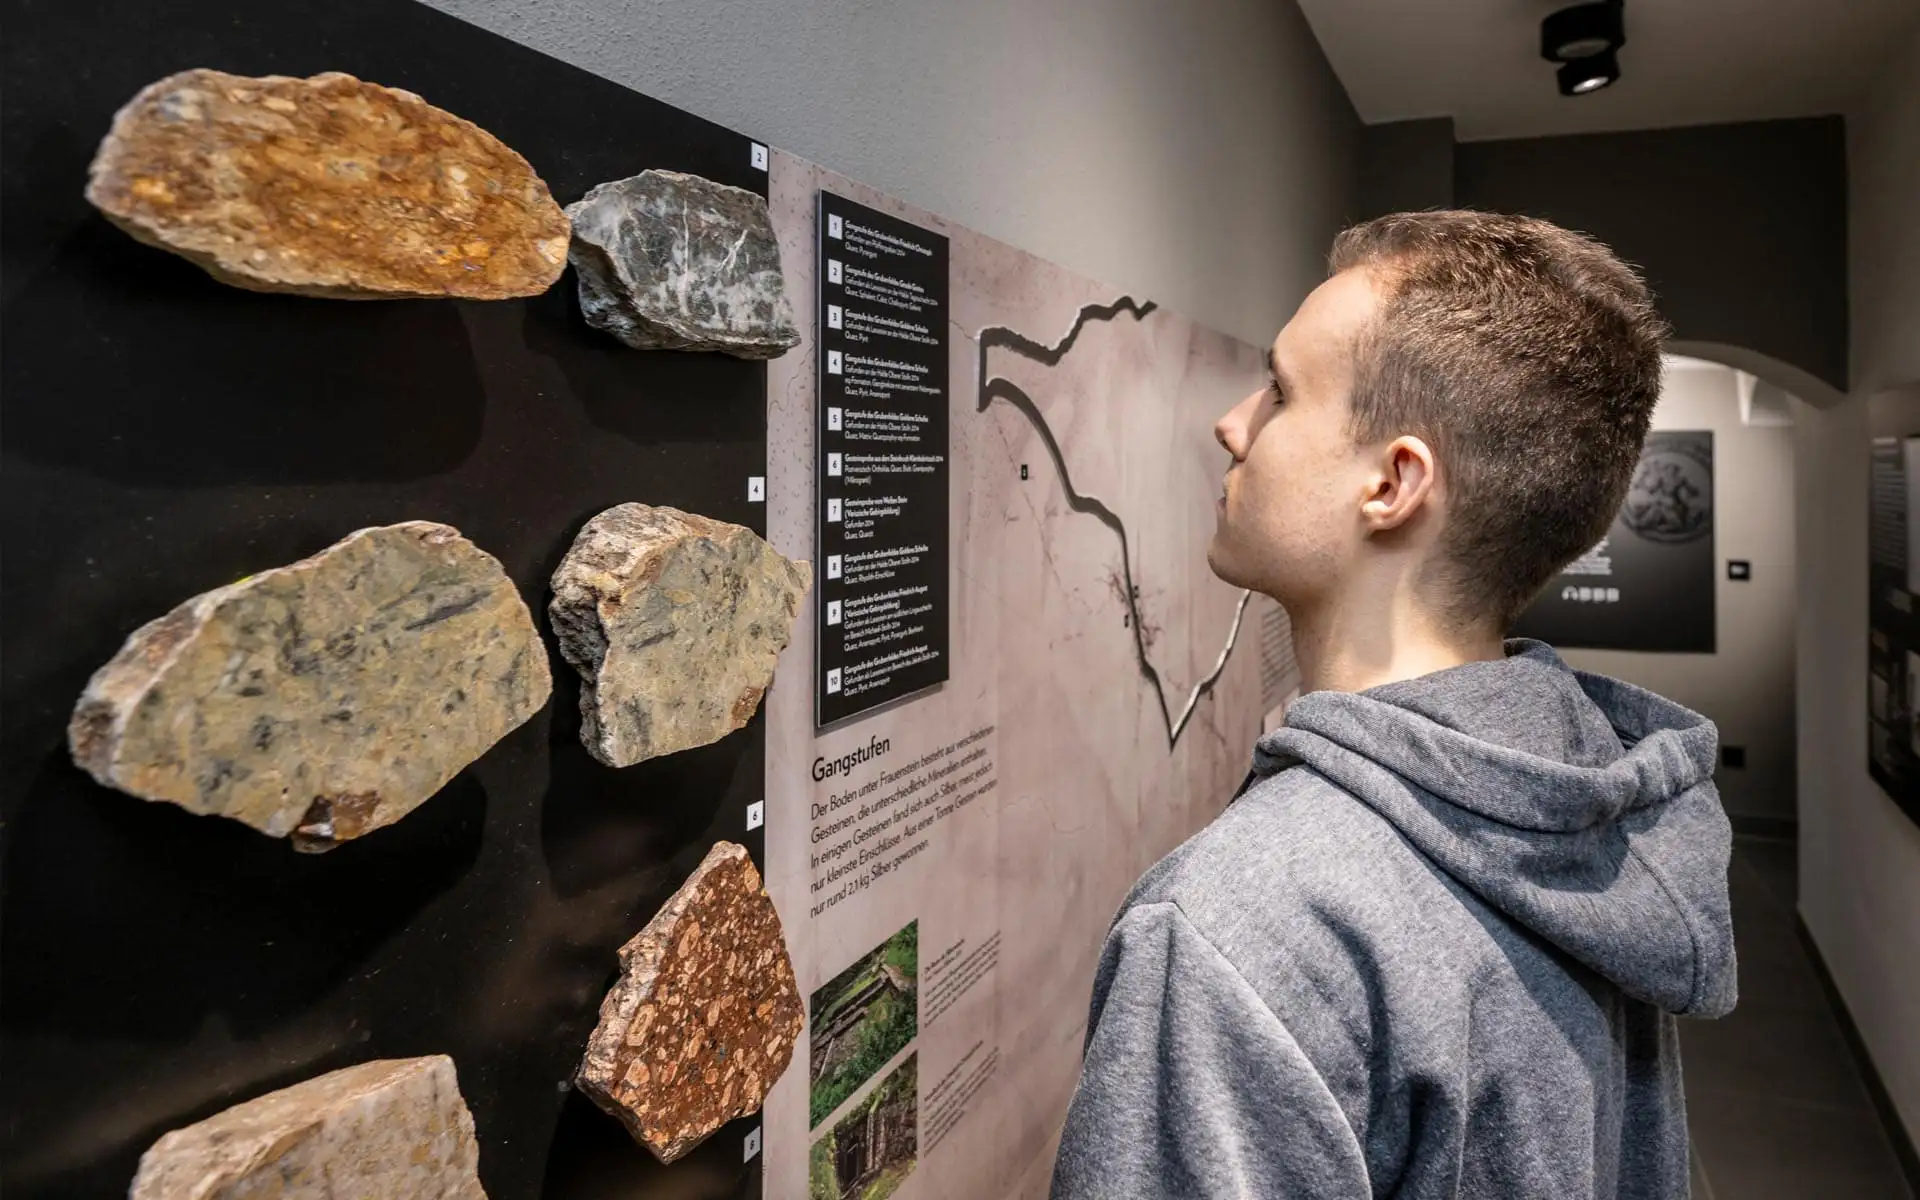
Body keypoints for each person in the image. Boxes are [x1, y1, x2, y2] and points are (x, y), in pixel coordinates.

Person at [1049, 211, 1735, 1199]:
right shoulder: (1603, 822)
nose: (1233, 424)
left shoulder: (1238, 924)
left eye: (1280, 392)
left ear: (1392, 483)